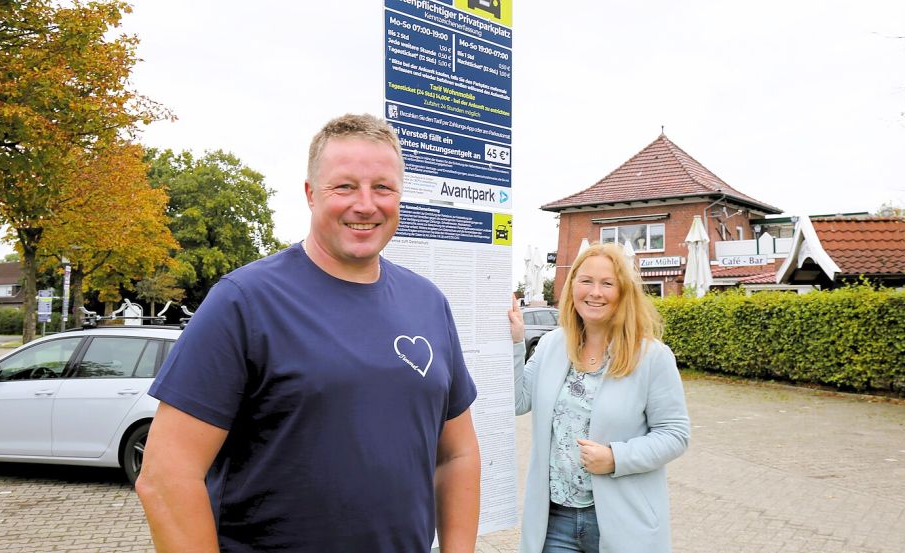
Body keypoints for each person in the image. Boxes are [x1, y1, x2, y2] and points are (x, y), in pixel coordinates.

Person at [136, 113, 480, 552]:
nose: (365, 204)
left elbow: (457, 455)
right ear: (310, 194)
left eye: (383, 187)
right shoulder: (244, 301)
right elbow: (166, 477)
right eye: (344, 186)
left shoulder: (428, 303)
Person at [507, 242, 690, 553]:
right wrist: (514, 343)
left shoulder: (651, 356)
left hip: (623, 521)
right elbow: (517, 401)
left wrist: (616, 458)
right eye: (586, 281)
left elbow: (675, 435)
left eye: (607, 283)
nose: (595, 292)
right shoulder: (552, 345)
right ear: (572, 286)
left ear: (623, 293)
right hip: (555, 520)